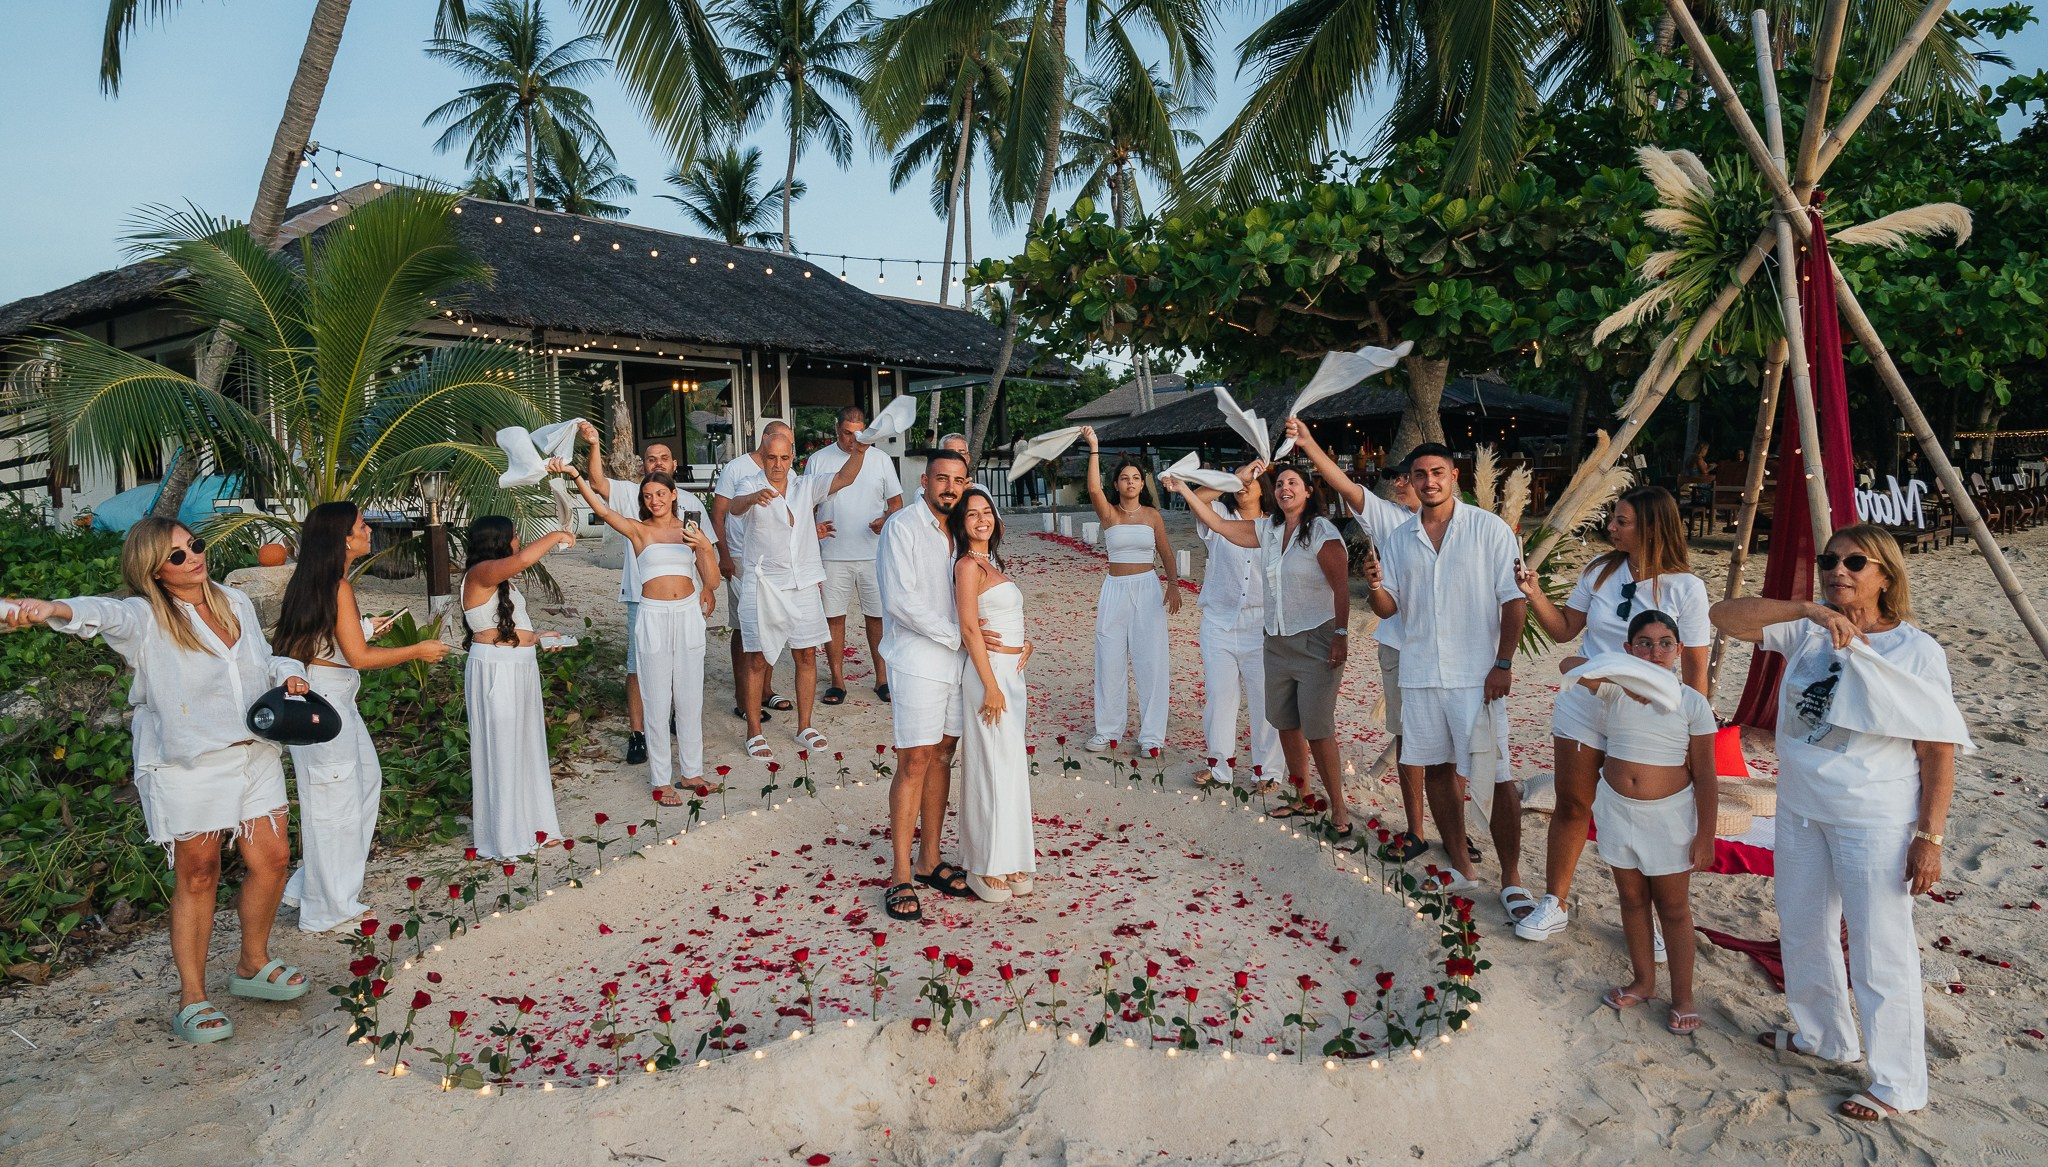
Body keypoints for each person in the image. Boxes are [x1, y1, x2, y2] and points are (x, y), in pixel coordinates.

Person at [4, 518, 312, 1042]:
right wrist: (53, 609)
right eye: (176, 556)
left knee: (274, 860)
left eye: (195, 545)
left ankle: (251, 963)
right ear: (153, 570)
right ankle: (192, 997)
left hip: (254, 753)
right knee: (198, 873)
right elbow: (100, 613)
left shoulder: (233, 601)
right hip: (187, 763)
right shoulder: (144, 617)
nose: (192, 557)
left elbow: (259, 661)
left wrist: (287, 671)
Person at [1712, 525, 1963, 1123]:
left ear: (1886, 576)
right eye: (1829, 560)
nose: (1838, 569)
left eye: (1855, 561)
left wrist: (1929, 837)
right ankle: (1824, 1036)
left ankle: (1898, 1084)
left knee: (1881, 949)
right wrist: (1808, 609)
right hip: (1801, 810)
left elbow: (1937, 750)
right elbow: (1724, 616)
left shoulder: (1915, 650)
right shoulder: (1807, 630)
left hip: (1873, 819)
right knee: (1803, 928)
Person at [1513, 485, 1713, 939]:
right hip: (1586, 702)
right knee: (1573, 802)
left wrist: (1689, 729)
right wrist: (1533, 594)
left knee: (1647, 814)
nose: (1612, 527)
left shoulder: (1686, 588)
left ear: (1651, 528)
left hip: (1648, 716)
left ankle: (1657, 919)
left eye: (1622, 521)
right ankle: (1554, 901)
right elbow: (1565, 631)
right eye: (1614, 519)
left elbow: (1696, 666)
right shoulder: (1600, 571)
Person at [271, 502, 449, 932]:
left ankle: (307, 886)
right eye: (361, 525)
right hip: (326, 704)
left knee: (364, 785)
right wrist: (418, 650)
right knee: (334, 806)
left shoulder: (319, 582)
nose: (369, 530)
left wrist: (365, 627)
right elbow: (360, 658)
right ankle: (327, 909)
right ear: (343, 539)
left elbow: (321, 641)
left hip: (333, 699)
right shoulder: (336, 586)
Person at [1366, 443, 1528, 898]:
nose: (1429, 481)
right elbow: (1389, 607)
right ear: (1411, 481)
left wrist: (1502, 663)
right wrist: (1375, 584)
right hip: (1419, 673)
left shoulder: (1488, 529)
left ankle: (1512, 878)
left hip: (1476, 676)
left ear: (1454, 475)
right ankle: (1461, 866)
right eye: (1419, 474)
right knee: (1436, 770)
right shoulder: (1400, 538)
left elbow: (1513, 600)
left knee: (1495, 776)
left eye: (1437, 472)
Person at [1560, 610, 1718, 1036]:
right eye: (1644, 643)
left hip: (1668, 816)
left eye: (1665, 642)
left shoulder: (1692, 703)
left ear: (1679, 650)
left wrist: (1705, 835)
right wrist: (1626, 675)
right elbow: (1569, 665)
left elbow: (1706, 775)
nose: (1656, 651)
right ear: (1629, 650)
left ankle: (1683, 996)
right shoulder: (1616, 690)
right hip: (1616, 809)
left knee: (1673, 906)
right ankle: (1645, 981)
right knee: (1631, 900)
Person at [1175, 465, 1353, 834]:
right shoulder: (1270, 530)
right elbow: (1221, 526)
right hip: (1275, 639)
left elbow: (1341, 585)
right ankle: (1303, 798)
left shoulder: (1321, 531)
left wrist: (1340, 634)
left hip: (1315, 638)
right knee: (1285, 721)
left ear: (1306, 491)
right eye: (1283, 481)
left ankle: (1338, 808)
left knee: (1317, 728)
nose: (1287, 487)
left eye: (1293, 483)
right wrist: (1183, 489)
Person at [1287, 420, 1430, 859]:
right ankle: (1416, 829)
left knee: (1449, 747)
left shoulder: (1465, 523)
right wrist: (1309, 444)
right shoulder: (1390, 518)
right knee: (1410, 739)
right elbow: (1346, 487)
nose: (1403, 482)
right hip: (1400, 643)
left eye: (1413, 475)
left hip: (1448, 649)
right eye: (1401, 476)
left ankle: (1451, 831)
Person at [558, 461, 720, 804]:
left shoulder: (691, 532)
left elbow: (713, 581)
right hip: (654, 614)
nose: (655, 500)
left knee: (690, 696)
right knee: (657, 698)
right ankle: (661, 780)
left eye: (661, 493)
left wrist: (704, 546)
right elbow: (600, 507)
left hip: (688, 613)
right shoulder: (638, 530)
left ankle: (692, 772)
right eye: (648, 496)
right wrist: (575, 476)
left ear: (674, 495)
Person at [725, 428, 872, 761]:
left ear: (793, 457)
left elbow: (844, 478)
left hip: (803, 581)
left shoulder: (806, 485)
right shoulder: (750, 483)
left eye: (784, 457)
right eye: (771, 457)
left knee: (806, 655)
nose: (777, 464)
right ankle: (754, 731)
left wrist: (860, 451)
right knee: (757, 659)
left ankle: (804, 725)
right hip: (765, 584)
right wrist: (752, 499)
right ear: (762, 456)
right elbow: (734, 507)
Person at [876, 449, 978, 919]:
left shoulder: (964, 530)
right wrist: (959, 634)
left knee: (943, 755)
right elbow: (900, 601)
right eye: (942, 479)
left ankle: (929, 860)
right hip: (917, 657)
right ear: (925, 480)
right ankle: (899, 874)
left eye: (958, 480)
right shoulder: (902, 527)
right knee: (914, 759)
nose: (950, 488)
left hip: (959, 661)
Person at [577, 422, 707, 765]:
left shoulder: (691, 507)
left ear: (674, 466)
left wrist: (708, 587)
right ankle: (640, 735)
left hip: (685, 603)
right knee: (641, 670)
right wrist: (591, 448)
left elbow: (708, 556)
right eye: (652, 459)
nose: (658, 463)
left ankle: (681, 733)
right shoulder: (633, 498)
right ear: (643, 465)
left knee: (685, 671)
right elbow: (598, 488)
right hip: (644, 599)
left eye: (664, 458)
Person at [460, 516, 571, 859]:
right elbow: (523, 559)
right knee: (503, 747)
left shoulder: (503, 581)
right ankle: (506, 838)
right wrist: (556, 533)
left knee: (527, 745)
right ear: (499, 541)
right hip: (497, 669)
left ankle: (537, 826)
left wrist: (537, 637)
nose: (518, 540)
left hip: (519, 666)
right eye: (514, 535)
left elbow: (506, 625)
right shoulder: (480, 574)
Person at [950, 488, 1038, 902]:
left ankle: (1014, 854)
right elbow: (969, 629)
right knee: (988, 766)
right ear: (961, 523)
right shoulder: (967, 566)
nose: (981, 519)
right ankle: (983, 863)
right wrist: (990, 684)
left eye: (986, 512)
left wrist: (1024, 643)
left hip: (1011, 673)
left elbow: (1003, 615)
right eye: (972, 514)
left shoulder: (993, 563)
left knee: (1010, 766)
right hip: (989, 677)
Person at [1180, 465, 1284, 791]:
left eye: (1251, 483)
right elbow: (1196, 498)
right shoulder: (1219, 514)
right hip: (1219, 622)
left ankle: (1267, 771)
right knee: (1219, 696)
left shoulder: (1276, 525)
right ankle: (1218, 765)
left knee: (1264, 700)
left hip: (1261, 625)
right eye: (1239, 483)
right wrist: (1235, 477)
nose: (1244, 487)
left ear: (1262, 486)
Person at [1078, 426, 1180, 752]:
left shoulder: (1152, 515)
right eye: (1125, 478)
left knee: (1150, 661)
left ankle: (1151, 736)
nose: (1131, 482)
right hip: (1115, 590)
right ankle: (1107, 730)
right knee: (1109, 659)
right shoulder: (1109, 515)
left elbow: (1165, 552)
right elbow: (1093, 489)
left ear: (1142, 483)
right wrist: (1095, 447)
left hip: (1148, 589)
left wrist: (1174, 585)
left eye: (1136, 477)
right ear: (1117, 484)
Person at [804, 405, 903, 706]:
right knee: (834, 617)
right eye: (847, 433)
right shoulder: (818, 460)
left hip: (873, 553)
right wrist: (814, 527)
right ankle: (837, 680)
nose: (852, 440)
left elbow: (896, 503)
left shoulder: (881, 459)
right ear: (837, 430)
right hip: (833, 553)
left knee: (877, 617)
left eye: (858, 433)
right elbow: (804, 505)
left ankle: (882, 678)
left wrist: (885, 520)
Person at [713, 422, 795, 722]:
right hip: (740, 557)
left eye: (787, 447)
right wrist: (724, 554)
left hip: (777, 564)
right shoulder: (737, 468)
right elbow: (719, 511)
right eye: (777, 442)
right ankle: (742, 695)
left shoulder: (790, 474)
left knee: (773, 623)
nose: (781, 453)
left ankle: (765, 690)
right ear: (765, 440)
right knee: (744, 626)